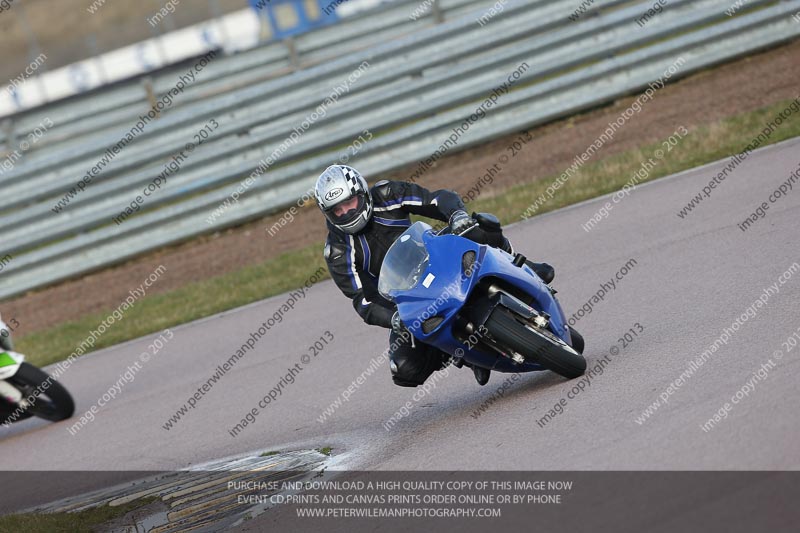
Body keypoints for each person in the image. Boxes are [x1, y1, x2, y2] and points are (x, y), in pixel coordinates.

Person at [314, 165, 554, 387]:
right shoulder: (337, 251)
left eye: (350, 202)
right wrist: (394, 318)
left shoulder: (387, 194)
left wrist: (456, 215)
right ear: (328, 214)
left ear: (362, 193)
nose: (346, 212)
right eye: (337, 210)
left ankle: (523, 266)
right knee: (405, 370)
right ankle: (466, 355)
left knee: (478, 227)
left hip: (435, 254)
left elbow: (437, 199)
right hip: (405, 298)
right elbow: (363, 302)